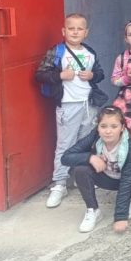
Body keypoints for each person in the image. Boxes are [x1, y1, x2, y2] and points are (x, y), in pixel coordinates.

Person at [34, 13, 107, 209]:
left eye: (79, 29)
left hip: (88, 104)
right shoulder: (57, 51)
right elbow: (40, 74)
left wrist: (92, 75)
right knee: (65, 144)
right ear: (64, 31)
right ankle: (59, 183)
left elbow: (100, 73)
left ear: (86, 32)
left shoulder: (90, 52)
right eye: (71, 28)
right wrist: (59, 75)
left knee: (85, 142)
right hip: (68, 104)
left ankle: (80, 176)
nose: (75, 32)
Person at [59, 105, 131, 233]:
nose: (108, 131)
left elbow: (127, 180)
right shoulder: (95, 136)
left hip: (126, 180)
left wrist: (120, 217)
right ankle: (93, 210)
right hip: (106, 178)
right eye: (103, 126)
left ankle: (130, 198)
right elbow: (66, 157)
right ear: (98, 127)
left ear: (122, 128)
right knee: (80, 170)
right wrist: (90, 157)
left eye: (114, 126)